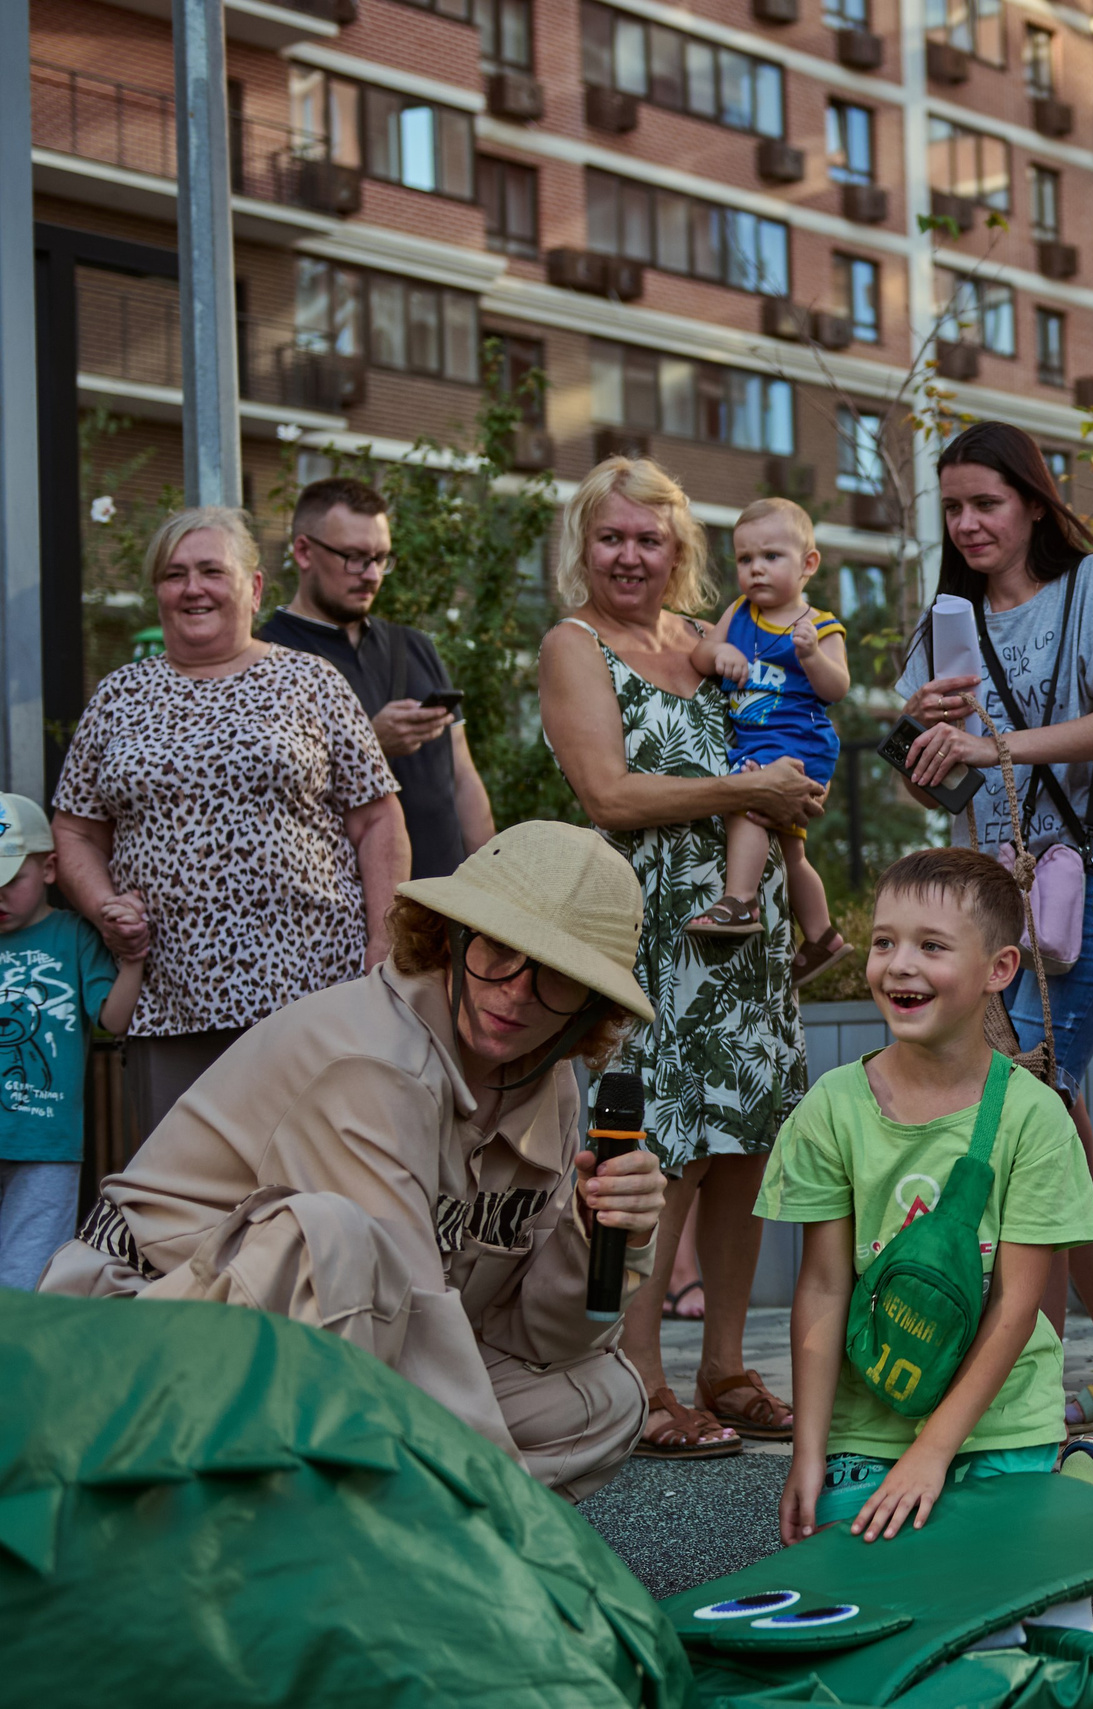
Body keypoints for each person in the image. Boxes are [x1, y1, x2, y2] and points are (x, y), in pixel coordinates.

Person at [42, 822, 671, 1497]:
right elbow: (418, 1321)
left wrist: (604, 1230)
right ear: (453, 935)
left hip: (314, 1357)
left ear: (591, 1003)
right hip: (127, 1343)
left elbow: (539, 1336)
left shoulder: (549, 1087)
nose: (516, 991)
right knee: (334, 1243)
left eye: (557, 975)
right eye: (499, 949)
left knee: (603, 1398)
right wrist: (522, 1545)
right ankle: (390, 1554)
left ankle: (385, 1544)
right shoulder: (371, 1057)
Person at [539, 457, 826, 1460]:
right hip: (648, 930)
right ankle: (642, 1375)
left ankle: (725, 1364)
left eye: (648, 538)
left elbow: (793, 720)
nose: (630, 555)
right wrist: (751, 788)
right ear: (583, 544)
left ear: (678, 550)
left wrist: (792, 802)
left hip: (739, 932)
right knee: (657, 1156)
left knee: (746, 1146)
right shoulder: (574, 645)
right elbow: (609, 795)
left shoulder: (710, 641)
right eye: (612, 536)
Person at [890, 421, 1093, 1437]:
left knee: (1022, 1116)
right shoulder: (945, 616)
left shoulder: (1092, 584)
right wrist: (927, 738)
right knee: (1058, 1125)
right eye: (953, 507)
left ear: (1033, 503)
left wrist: (989, 740)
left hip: (1086, 891)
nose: (966, 524)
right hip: (988, 897)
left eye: (985, 503)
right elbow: (949, 781)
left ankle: (1027, 1376)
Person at [767, 849, 1093, 1545]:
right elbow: (825, 1288)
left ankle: (1080, 1485)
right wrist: (809, 1453)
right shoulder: (831, 1108)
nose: (899, 964)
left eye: (931, 945)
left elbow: (1016, 1303)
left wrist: (933, 1452)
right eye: (884, 941)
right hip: (868, 1431)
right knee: (872, 1608)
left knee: (994, 1612)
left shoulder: (1034, 1117)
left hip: (1001, 1423)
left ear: (999, 970)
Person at [51, 506, 408, 1144]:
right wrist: (105, 905)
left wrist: (382, 948)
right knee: (180, 1196)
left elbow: (378, 819)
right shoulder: (117, 697)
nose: (193, 588)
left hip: (309, 990)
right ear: (157, 590)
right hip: (168, 996)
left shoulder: (310, 681)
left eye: (211, 571)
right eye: (174, 574)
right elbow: (75, 831)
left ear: (254, 586)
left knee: (309, 1179)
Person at [259, 476, 496, 881]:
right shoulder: (264, 656)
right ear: (303, 551)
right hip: (341, 916)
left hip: (447, 906)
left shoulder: (415, 645)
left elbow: (463, 777)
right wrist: (371, 742)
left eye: (381, 558)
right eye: (354, 557)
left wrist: (495, 887)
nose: (371, 574)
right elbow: (261, 797)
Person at [684, 497, 857, 989]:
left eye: (771, 557)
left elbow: (837, 689)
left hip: (799, 743)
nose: (756, 569)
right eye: (745, 559)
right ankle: (822, 935)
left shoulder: (817, 626)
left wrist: (812, 658)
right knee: (791, 849)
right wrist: (720, 652)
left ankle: (738, 900)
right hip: (757, 743)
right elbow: (699, 656)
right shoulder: (739, 613)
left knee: (750, 803)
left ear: (808, 564)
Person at [0, 796, 142, 1290]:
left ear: (49, 867)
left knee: (26, 1277)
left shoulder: (74, 935)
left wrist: (133, 960)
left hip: (46, 1144)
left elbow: (114, 1018)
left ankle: (17, 1367)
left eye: (9, 879)